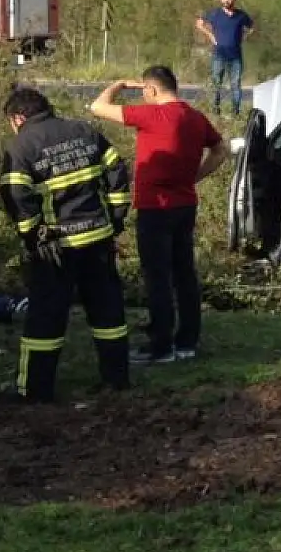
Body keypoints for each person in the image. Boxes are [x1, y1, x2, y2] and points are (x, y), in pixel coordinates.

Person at [0, 87, 131, 402]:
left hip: (55, 247)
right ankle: (117, 380)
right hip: (97, 239)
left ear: (18, 118)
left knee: (45, 318)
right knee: (108, 312)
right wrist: (115, 219)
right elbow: (117, 171)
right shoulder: (84, 130)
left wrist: (33, 235)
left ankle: (35, 390)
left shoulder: (21, 146)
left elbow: (16, 195)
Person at [89, 67, 227, 365]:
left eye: (144, 91)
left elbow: (97, 107)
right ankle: (187, 341)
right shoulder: (195, 117)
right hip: (184, 205)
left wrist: (119, 83)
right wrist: (195, 177)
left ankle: (161, 345)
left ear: (151, 90)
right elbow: (220, 150)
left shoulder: (152, 115)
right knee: (184, 273)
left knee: (158, 277)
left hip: (155, 207)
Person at [195, 0, 254, 118]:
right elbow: (199, 23)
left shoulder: (241, 15)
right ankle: (215, 110)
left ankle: (235, 113)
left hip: (235, 56)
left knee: (235, 85)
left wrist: (243, 37)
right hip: (219, 54)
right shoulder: (215, 14)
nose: (226, 1)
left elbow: (251, 27)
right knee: (216, 83)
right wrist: (210, 35)